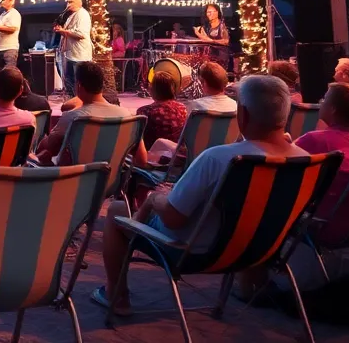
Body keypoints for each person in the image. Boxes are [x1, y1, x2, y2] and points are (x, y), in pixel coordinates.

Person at [93, 75, 306, 315]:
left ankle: (116, 296)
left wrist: (155, 198)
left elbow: (174, 219)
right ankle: (250, 284)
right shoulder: (306, 161)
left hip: (196, 252)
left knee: (117, 210)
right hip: (260, 250)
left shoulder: (219, 159)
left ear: (243, 115)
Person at [294, 83, 349, 247]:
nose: (320, 101)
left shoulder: (313, 140)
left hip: (321, 225)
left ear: (333, 109)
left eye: (324, 98)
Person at [36, 61, 138, 166]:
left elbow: (46, 146)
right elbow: (141, 159)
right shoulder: (125, 115)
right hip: (113, 179)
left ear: (79, 86)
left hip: (74, 179)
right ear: (102, 85)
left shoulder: (72, 117)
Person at [138, 69, 187, 150]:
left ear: (153, 89)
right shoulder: (182, 108)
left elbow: (138, 140)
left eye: (151, 85)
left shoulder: (145, 111)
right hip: (177, 154)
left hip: (153, 155)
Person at [54, 0, 92, 92]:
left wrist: (64, 31)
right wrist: (61, 31)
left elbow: (81, 34)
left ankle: (80, 103)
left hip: (80, 56)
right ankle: (72, 101)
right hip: (70, 54)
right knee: (70, 82)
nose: (68, 4)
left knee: (79, 83)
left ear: (79, 3)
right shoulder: (72, 16)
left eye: (71, 2)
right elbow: (70, 34)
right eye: (67, 2)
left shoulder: (83, 14)